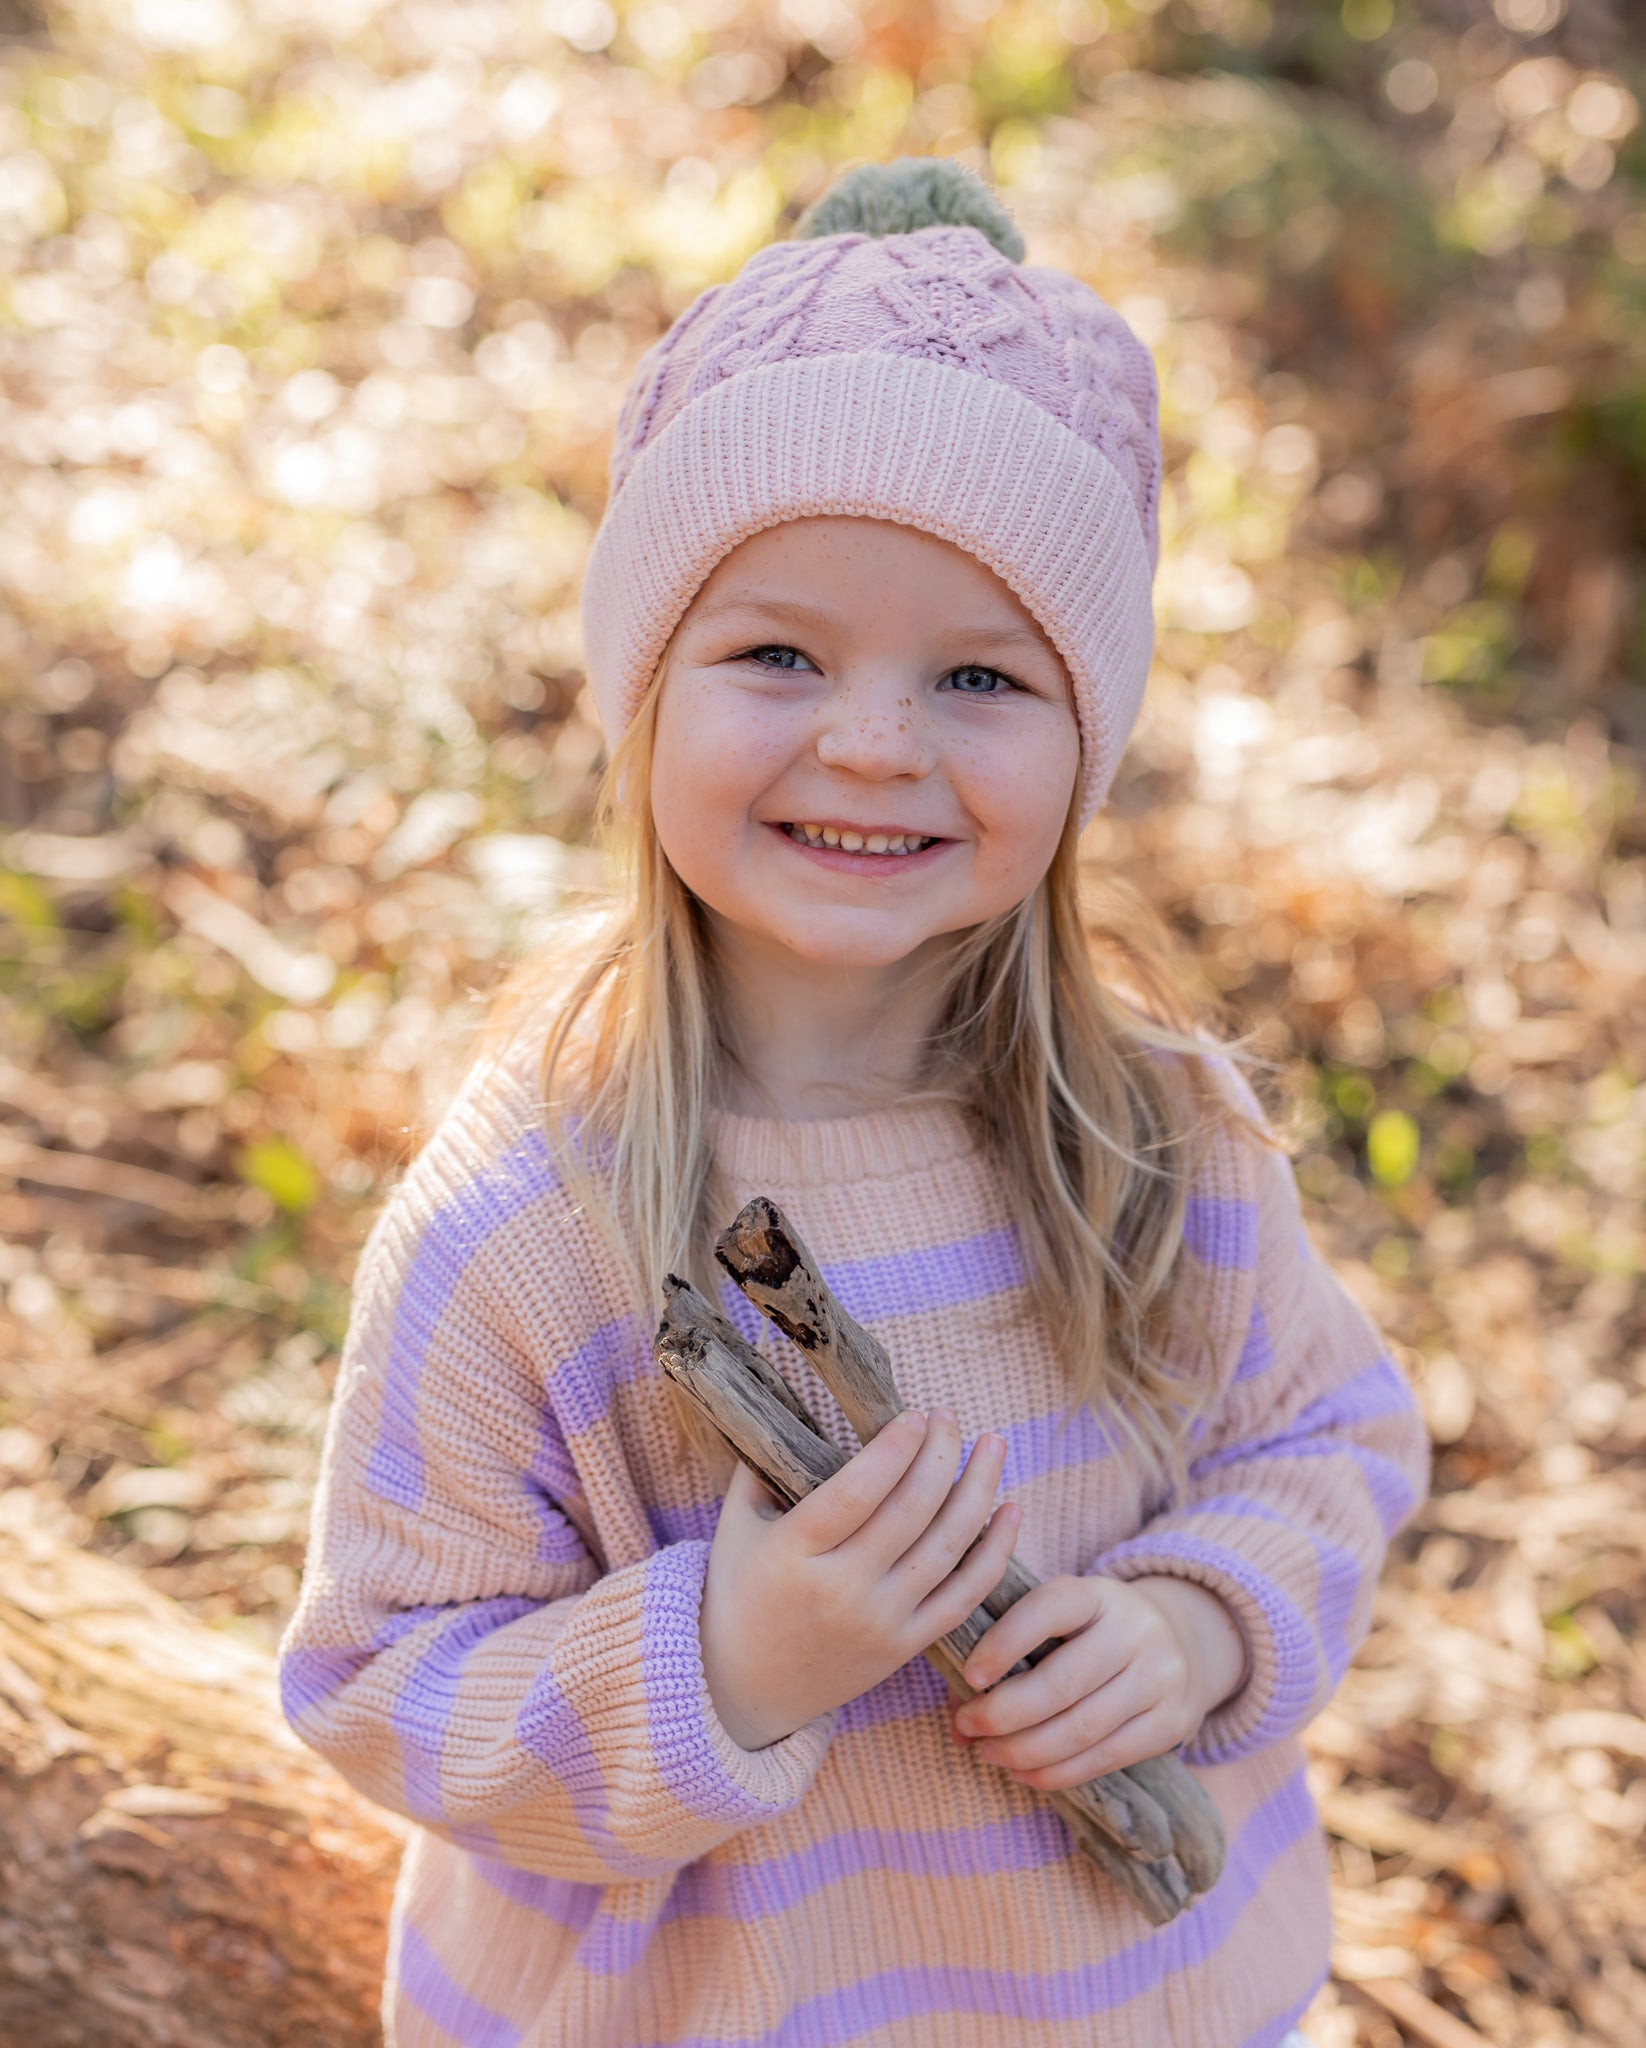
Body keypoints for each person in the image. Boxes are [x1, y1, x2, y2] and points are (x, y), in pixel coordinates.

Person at [280, 157, 1429, 2048]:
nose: (873, 741)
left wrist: (1199, 1623)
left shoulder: (1158, 1143)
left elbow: (1331, 1439)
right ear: (645, 696)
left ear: (1087, 744)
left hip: (1133, 2001)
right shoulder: (529, 1222)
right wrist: (728, 1661)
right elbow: (382, 1679)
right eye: (777, 653)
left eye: (981, 673)